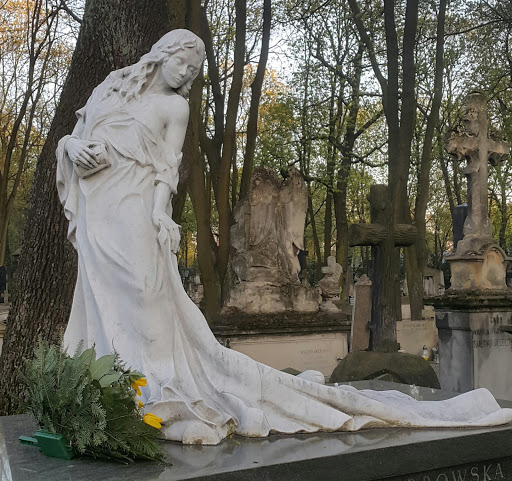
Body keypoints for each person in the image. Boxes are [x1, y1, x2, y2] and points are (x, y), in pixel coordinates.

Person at [57, 30, 512, 445]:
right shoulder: (111, 91)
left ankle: (158, 388)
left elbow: (166, 169)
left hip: (136, 210)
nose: (186, 75)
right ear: (164, 54)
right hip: (100, 210)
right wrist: (69, 147)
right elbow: (74, 138)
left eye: (194, 72)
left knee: (146, 294)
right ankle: (111, 389)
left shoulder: (176, 107)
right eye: (184, 63)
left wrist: (160, 213)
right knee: (104, 302)